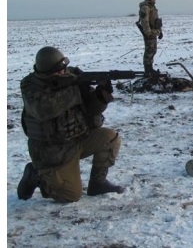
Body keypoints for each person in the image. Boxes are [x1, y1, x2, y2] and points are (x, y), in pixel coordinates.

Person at [17, 46, 124, 203]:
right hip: (52, 153)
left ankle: (97, 183)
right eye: (58, 70)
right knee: (71, 195)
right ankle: (36, 176)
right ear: (45, 72)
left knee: (110, 138)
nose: (63, 72)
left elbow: (91, 109)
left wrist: (101, 96)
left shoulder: (71, 77)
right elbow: (44, 109)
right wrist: (75, 91)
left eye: (64, 68)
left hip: (77, 140)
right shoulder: (31, 86)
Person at [137, 0, 162, 75]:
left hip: (154, 32)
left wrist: (159, 31)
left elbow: (155, 20)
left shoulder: (151, 6)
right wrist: (148, 32)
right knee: (149, 51)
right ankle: (148, 70)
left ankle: (150, 68)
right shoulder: (146, 7)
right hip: (150, 33)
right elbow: (145, 22)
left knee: (153, 50)